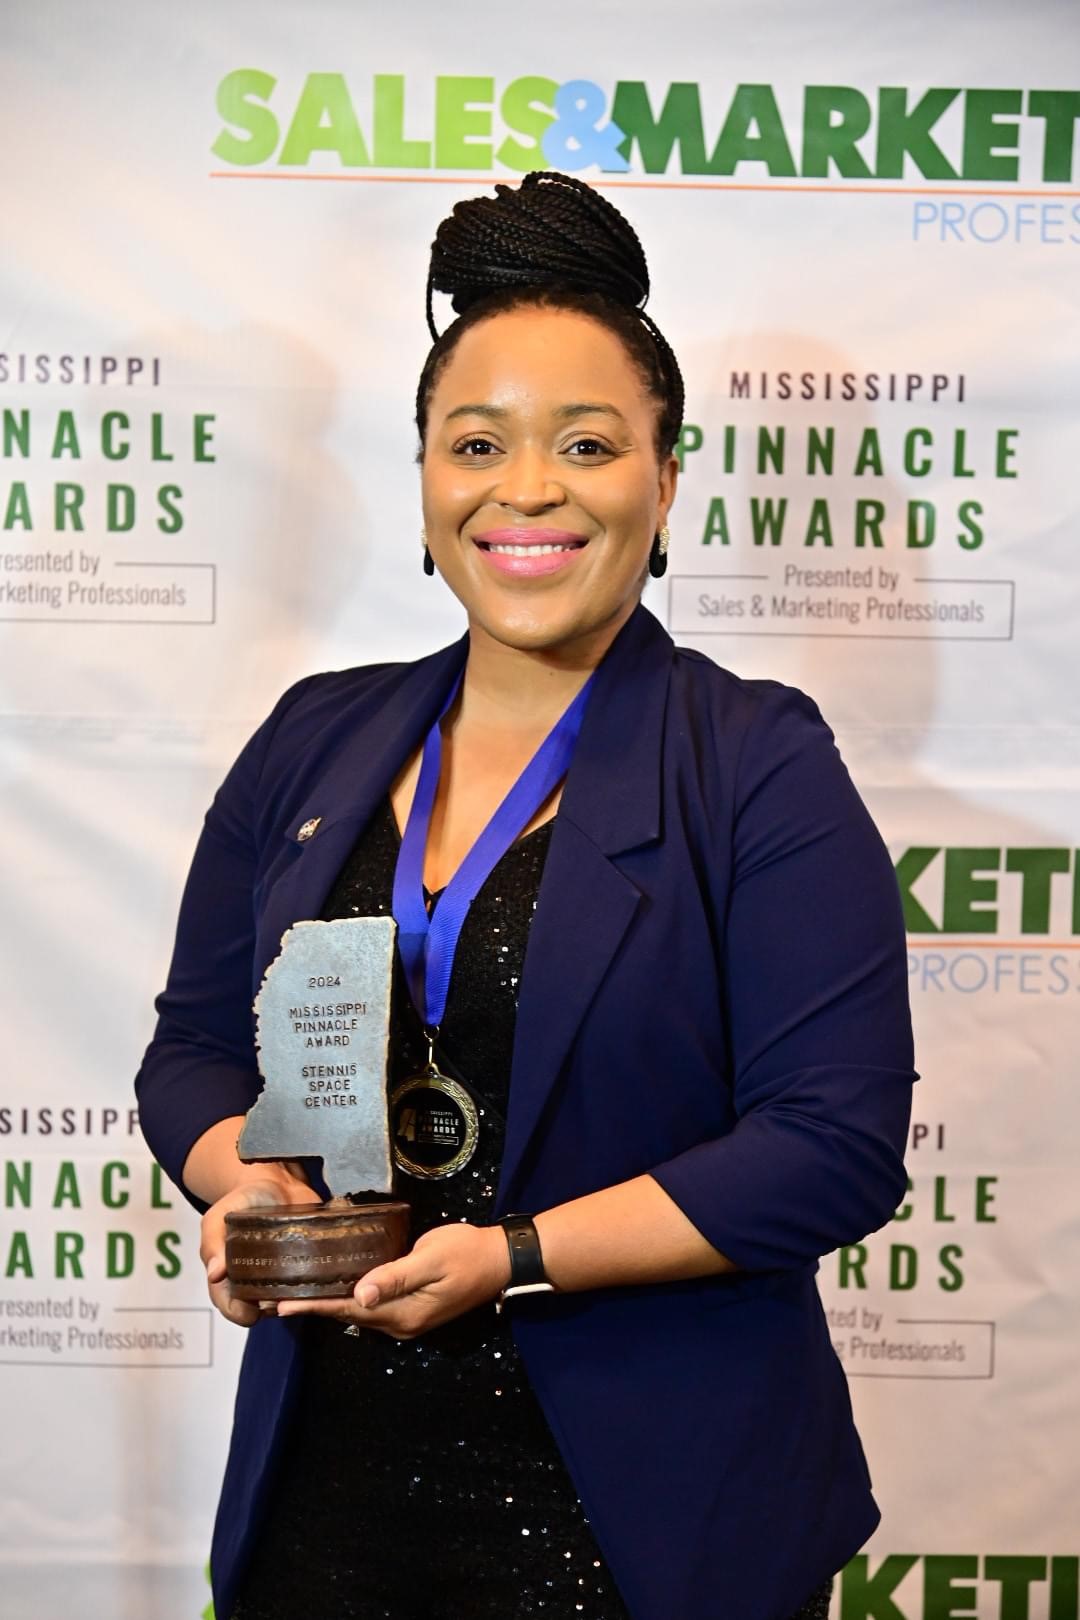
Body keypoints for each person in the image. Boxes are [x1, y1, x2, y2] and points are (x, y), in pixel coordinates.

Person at [136, 170, 917, 1620]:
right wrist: (242, 1182)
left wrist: (514, 1260)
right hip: (328, 1505)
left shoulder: (755, 761)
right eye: (476, 441)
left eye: (589, 443)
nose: (529, 487)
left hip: (653, 1523)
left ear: (666, 478)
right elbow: (189, 1051)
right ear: (427, 480)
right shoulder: (314, 735)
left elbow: (835, 1147)